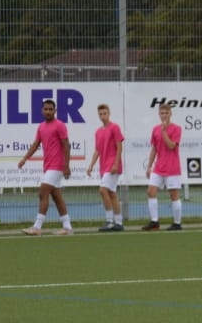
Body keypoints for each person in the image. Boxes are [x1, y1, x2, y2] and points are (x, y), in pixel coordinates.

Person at [17, 98, 74, 235]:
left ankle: (37, 227)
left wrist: (66, 166)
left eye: (50, 109)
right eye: (46, 109)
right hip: (48, 166)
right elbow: (35, 144)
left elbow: (66, 145)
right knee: (57, 196)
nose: (48, 111)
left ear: (55, 111)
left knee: (43, 192)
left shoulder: (60, 125)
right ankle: (67, 227)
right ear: (42, 111)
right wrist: (25, 158)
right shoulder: (41, 127)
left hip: (57, 166)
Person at [143, 102, 183, 231]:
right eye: (162, 113)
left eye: (166, 113)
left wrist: (164, 132)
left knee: (173, 195)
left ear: (170, 114)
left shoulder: (176, 129)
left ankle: (177, 223)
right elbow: (154, 148)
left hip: (172, 167)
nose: (164, 115)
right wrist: (149, 166)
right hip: (159, 167)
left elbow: (171, 146)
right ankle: (154, 222)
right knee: (150, 191)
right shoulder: (155, 129)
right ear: (159, 114)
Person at [86, 103, 125, 231]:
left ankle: (109, 221)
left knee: (103, 190)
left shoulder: (115, 127)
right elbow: (97, 150)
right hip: (104, 166)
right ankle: (118, 223)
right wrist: (91, 165)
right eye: (100, 114)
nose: (103, 116)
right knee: (112, 193)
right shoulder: (98, 132)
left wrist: (116, 163)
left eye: (105, 113)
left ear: (109, 113)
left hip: (112, 165)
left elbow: (119, 147)